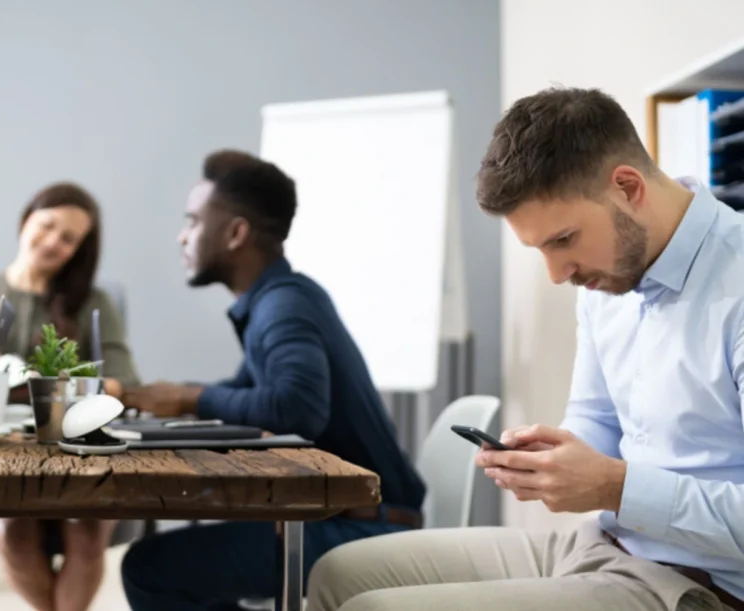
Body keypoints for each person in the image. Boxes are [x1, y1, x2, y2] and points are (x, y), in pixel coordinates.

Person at [305, 87, 744, 611]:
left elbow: (620, 484)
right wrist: (551, 462)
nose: (558, 274)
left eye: (563, 240)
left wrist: (615, 488)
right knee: (335, 572)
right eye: (540, 249)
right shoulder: (608, 282)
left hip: (703, 586)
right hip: (605, 546)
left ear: (628, 187)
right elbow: (595, 420)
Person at [117, 149, 426, 610]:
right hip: (353, 515)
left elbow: (296, 408)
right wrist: (160, 397)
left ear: (236, 233)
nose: (182, 236)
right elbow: (246, 392)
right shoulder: (280, 299)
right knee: (164, 562)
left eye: (193, 222)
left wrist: (188, 398)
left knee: (150, 570)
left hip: (367, 526)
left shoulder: (283, 306)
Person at [0, 182, 140, 611]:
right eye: (47, 225)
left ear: (79, 250)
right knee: (15, 527)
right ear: (26, 220)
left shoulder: (93, 302)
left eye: (68, 238)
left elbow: (123, 381)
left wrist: (69, 386)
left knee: (87, 533)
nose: (53, 242)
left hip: (74, 453)